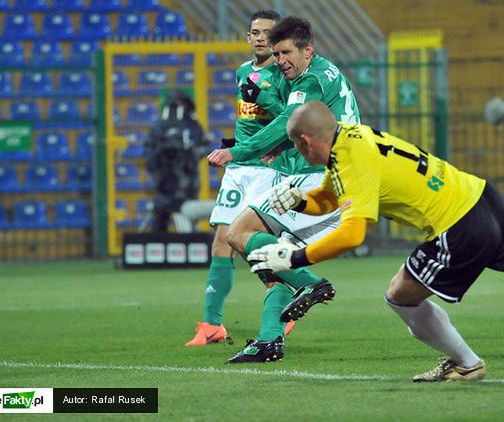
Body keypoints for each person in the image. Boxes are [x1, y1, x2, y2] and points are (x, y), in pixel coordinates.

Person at [247, 101, 504, 382]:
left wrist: (295, 258)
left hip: (459, 224)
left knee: (400, 295)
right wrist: (300, 202)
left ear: (304, 141)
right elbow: (333, 196)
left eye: (296, 146)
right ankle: (465, 364)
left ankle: (466, 364)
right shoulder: (351, 135)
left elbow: (353, 234)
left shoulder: (349, 160)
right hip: (486, 199)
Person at [206, 16, 361, 363]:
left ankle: (310, 282)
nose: (281, 61)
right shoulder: (326, 72)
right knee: (273, 257)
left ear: (308, 50)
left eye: (286, 52)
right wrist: (284, 147)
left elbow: (285, 122)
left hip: (316, 178)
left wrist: (239, 151)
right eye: (276, 55)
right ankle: (269, 339)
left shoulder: (312, 78)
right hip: (334, 176)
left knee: (238, 232)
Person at [186, 10, 299, 347]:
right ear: (248, 37)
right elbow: (247, 120)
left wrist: (266, 102)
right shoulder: (242, 72)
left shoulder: (284, 75)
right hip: (239, 168)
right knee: (222, 240)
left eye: (267, 32)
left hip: (269, 167)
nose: (260, 37)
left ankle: (282, 307)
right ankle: (212, 325)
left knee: (250, 243)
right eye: (255, 32)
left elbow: (290, 120)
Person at [147, 89, 208, 232]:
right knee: (161, 216)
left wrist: (190, 153)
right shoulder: (159, 127)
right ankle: (157, 244)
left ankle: (190, 243)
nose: (177, 107)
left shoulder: (193, 126)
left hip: (187, 180)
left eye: (180, 104)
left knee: (188, 215)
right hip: (164, 181)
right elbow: (150, 151)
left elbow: (202, 146)